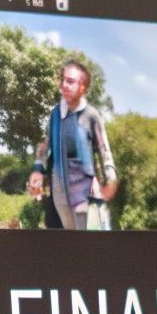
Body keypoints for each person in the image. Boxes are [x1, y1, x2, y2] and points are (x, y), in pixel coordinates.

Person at [27, 59, 118, 230]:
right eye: (63, 80)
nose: (64, 85)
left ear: (83, 87)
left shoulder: (91, 115)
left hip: (85, 196)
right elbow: (45, 148)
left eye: (70, 81)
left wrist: (111, 178)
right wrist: (38, 169)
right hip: (59, 194)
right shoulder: (55, 115)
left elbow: (104, 150)